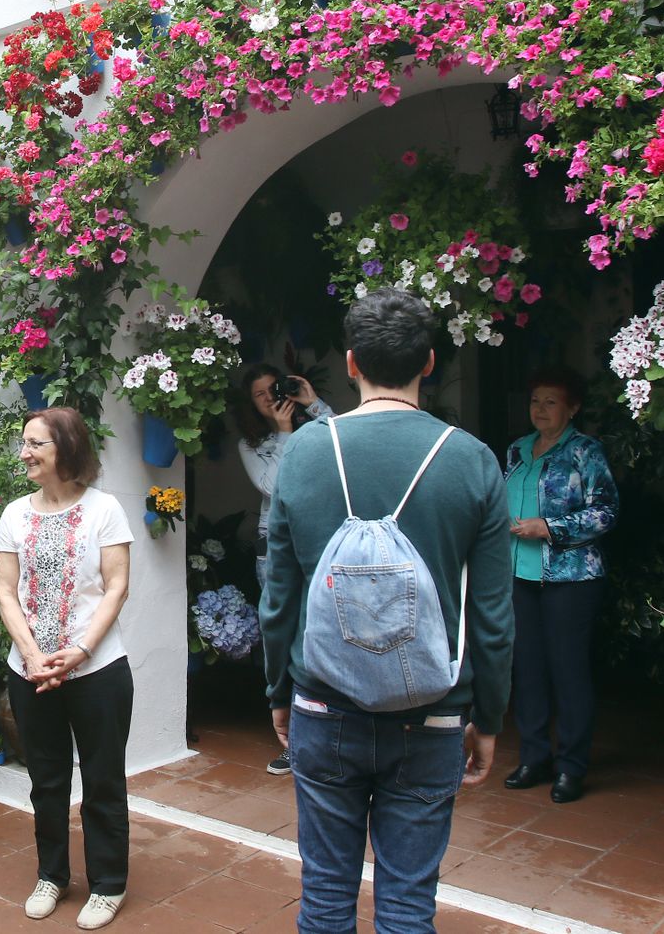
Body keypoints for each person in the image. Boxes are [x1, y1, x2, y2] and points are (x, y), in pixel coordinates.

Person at [261, 289, 514, 933]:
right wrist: (487, 717)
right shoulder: (472, 459)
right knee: (407, 904)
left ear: (351, 362)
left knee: (324, 896)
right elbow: (492, 612)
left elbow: (279, 596)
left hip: (323, 705)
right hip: (433, 712)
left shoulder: (305, 452)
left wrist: (279, 691)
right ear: (428, 362)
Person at [0, 407, 133, 931]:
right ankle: (51, 875)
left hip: (97, 670)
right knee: (46, 780)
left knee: (102, 779)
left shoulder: (105, 509)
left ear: (67, 449)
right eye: (24, 443)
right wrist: (31, 656)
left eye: (36, 444)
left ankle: (108, 884)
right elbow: (7, 592)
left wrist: (80, 650)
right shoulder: (14, 514)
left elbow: (116, 586)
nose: (25, 453)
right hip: (29, 670)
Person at [501, 367, 618, 805]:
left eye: (551, 402)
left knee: (568, 671)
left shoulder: (585, 451)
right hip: (520, 574)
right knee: (527, 668)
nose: (541, 409)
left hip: (571, 577)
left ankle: (571, 766)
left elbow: (606, 511)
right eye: (535, 401)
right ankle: (534, 758)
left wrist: (551, 527)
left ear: (572, 408)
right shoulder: (517, 449)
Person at [235, 363, 332, 777]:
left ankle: (327, 732)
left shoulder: (317, 429)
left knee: (321, 635)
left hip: (320, 542)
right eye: (259, 395)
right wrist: (284, 431)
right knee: (285, 639)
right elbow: (275, 488)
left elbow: (346, 443)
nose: (268, 398)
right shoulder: (252, 444)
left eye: (272, 388)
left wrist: (314, 403)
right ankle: (295, 742)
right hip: (275, 551)